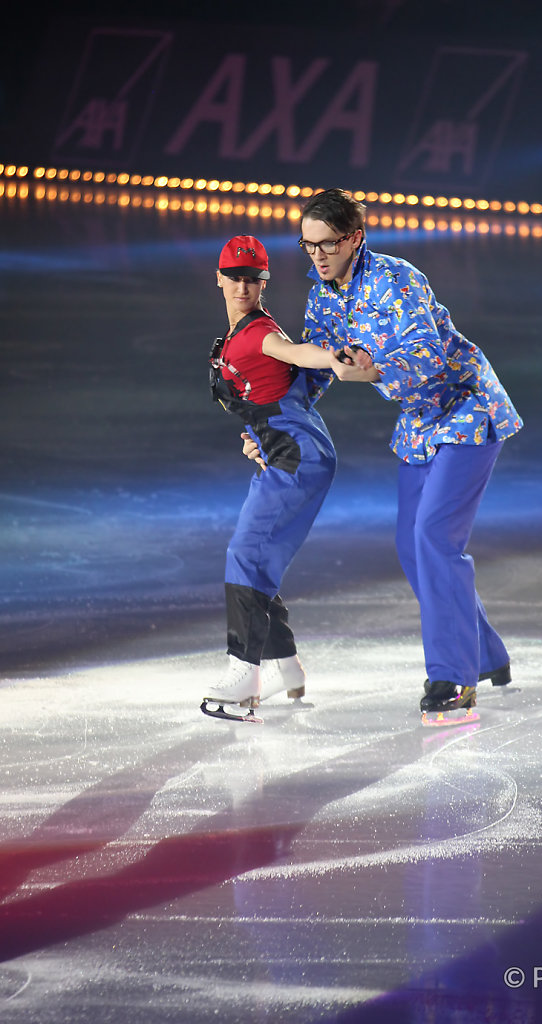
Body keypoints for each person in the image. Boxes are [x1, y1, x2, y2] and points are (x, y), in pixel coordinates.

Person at [297, 188, 524, 716]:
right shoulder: (324, 298)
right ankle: (486, 653)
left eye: (327, 244)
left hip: (467, 409)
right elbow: (315, 369)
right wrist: (272, 420)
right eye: (307, 247)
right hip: (420, 423)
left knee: (433, 536)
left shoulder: (396, 279)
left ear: (355, 238)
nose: (317, 256)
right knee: (410, 543)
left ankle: (454, 677)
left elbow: (426, 351)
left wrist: (374, 370)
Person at [201, 234, 346, 722]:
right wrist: (255, 437)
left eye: (252, 278)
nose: (242, 286)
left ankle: (244, 673)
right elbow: (264, 397)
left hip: (296, 455)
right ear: (219, 278)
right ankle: (283, 664)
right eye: (235, 277)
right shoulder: (235, 336)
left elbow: (296, 353)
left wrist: (332, 357)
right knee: (257, 554)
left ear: (263, 282)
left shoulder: (260, 333)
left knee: (246, 550)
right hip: (288, 452)